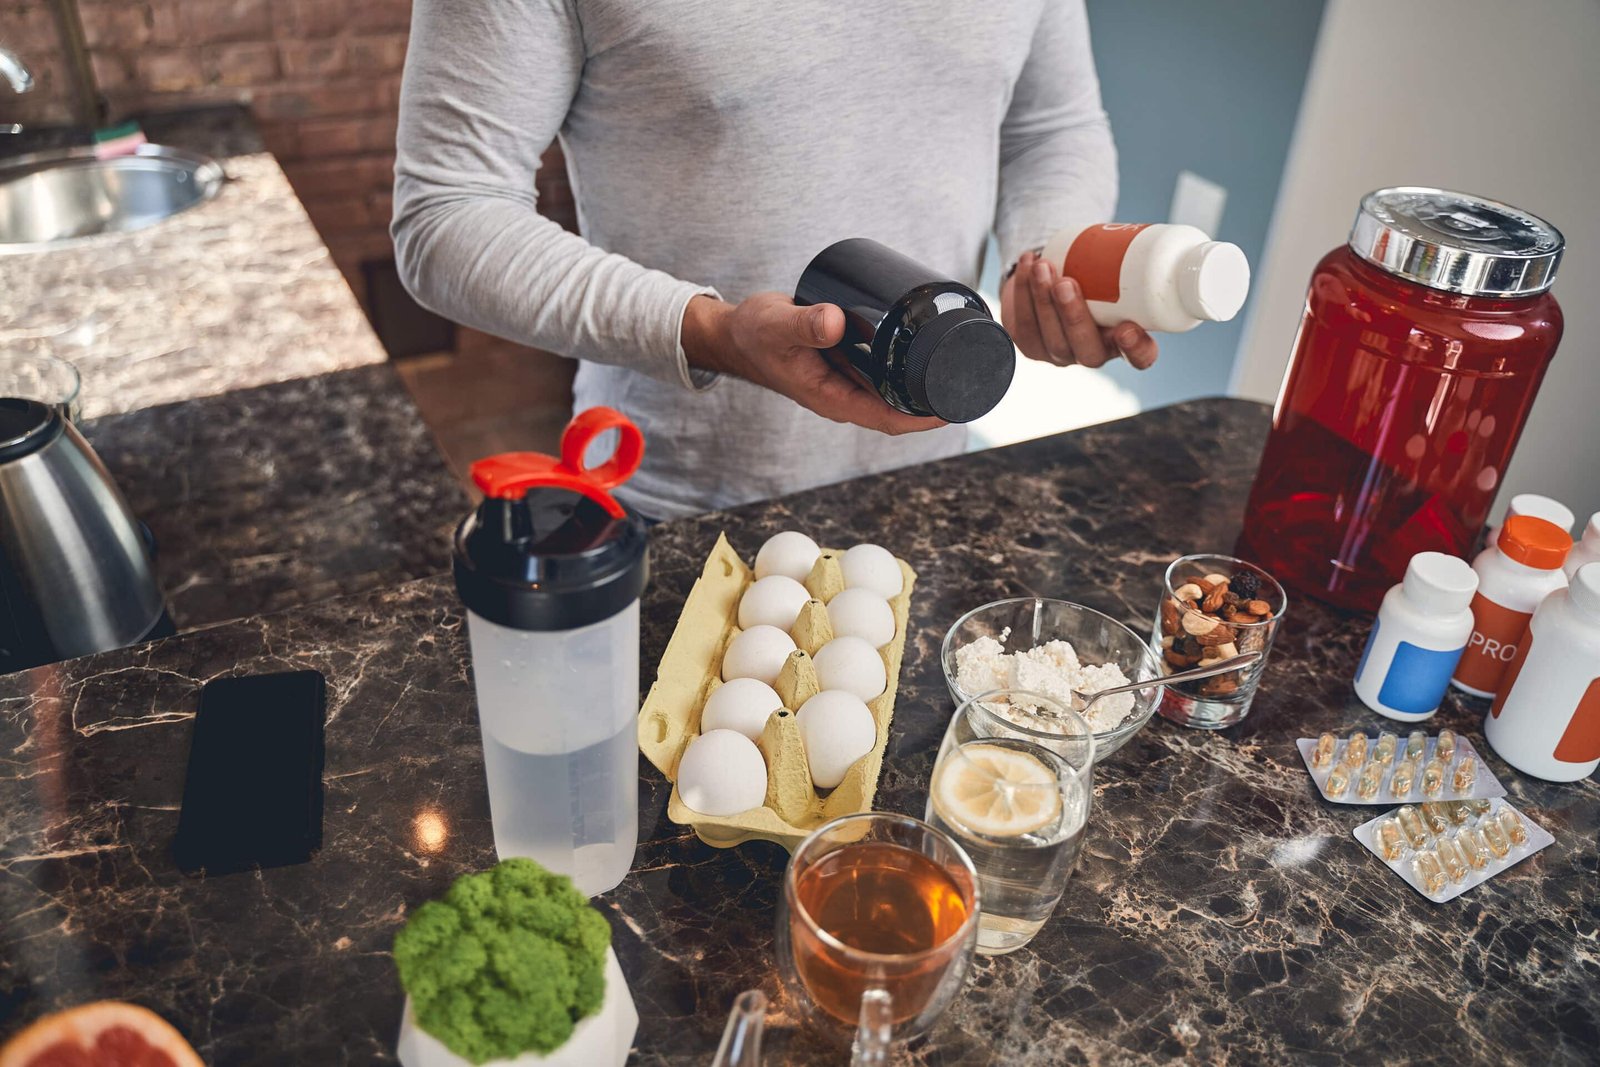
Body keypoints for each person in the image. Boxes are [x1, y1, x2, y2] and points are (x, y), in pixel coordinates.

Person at [393, 1, 1158, 520]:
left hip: (931, 474)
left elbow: (1051, 127)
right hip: (672, 495)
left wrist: (1045, 260)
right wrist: (711, 332)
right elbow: (448, 212)